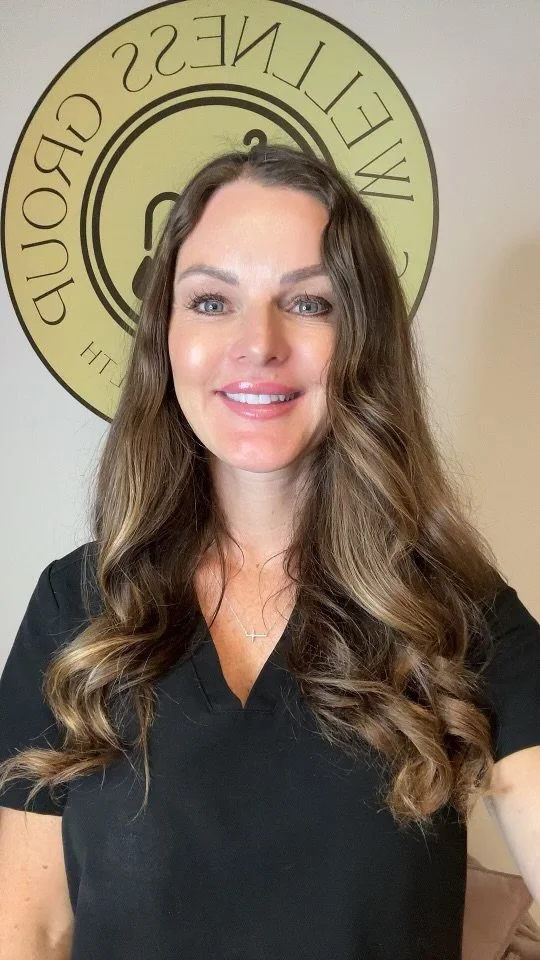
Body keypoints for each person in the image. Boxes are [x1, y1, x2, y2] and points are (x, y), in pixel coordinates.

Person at [0, 141, 539, 960]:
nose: (260, 342)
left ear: (361, 337)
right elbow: (27, 932)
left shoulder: (455, 609)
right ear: (166, 338)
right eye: (212, 301)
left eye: (311, 303)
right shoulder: (75, 605)